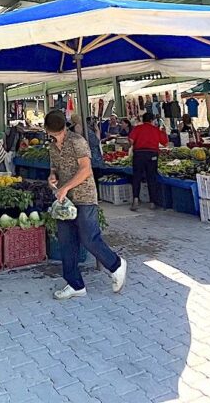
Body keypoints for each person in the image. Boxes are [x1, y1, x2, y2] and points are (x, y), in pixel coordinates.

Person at [45, 110, 126, 300]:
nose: (57, 137)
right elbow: (54, 167)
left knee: (90, 238)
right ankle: (75, 284)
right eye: (53, 134)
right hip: (65, 200)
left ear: (65, 127)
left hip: (84, 197)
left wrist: (65, 187)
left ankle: (116, 265)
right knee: (66, 242)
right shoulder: (52, 146)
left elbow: (86, 170)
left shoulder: (77, 141)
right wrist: (52, 177)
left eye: (59, 133)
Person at [128, 112, 167, 211]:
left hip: (139, 154)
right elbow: (165, 143)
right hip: (152, 155)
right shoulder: (156, 129)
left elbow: (131, 141)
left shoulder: (137, 128)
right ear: (152, 120)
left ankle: (135, 200)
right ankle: (152, 203)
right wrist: (164, 132)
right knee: (151, 177)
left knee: (137, 177)